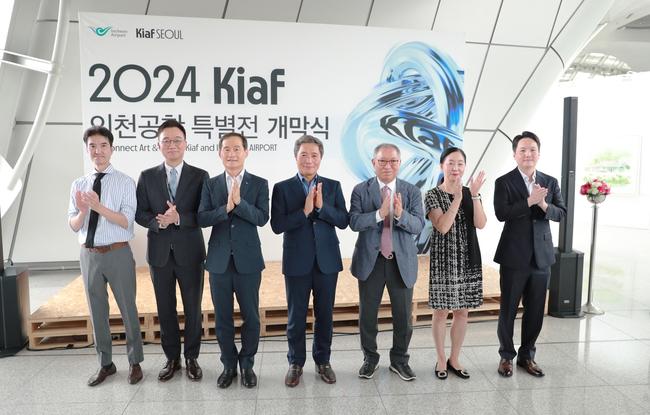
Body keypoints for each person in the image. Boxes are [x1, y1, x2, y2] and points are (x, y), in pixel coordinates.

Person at [68, 126, 144, 386]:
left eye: (103, 146)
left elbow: (126, 220)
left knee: (127, 308)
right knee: (96, 310)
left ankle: (135, 362)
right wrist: (83, 211)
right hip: (88, 255)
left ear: (112, 149)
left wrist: (98, 207)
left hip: (117, 252)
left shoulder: (125, 182)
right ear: (87, 149)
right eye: (92, 146)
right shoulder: (79, 184)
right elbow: (73, 225)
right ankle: (105, 364)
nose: (97, 151)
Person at [270, 134, 349, 387]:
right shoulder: (282, 188)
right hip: (296, 261)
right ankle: (295, 363)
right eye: (304, 154)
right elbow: (277, 225)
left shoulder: (333, 186)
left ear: (320, 158)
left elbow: (344, 220)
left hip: (327, 261)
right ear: (296, 157)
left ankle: (323, 361)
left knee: (325, 315)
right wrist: (303, 212)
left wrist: (322, 207)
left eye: (314, 155)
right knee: (296, 316)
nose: (309, 159)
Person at [135, 119, 209, 382]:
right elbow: (140, 213)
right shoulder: (147, 176)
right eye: (166, 140)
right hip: (160, 254)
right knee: (165, 308)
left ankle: (191, 358)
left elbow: (204, 214)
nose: (172, 145)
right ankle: (172, 359)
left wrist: (179, 218)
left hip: (191, 253)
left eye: (177, 140)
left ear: (186, 144)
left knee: (192, 308)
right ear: (158, 145)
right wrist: (158, 222)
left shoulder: (200, 176)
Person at [198, 132, 269, 389]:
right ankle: (229, 365)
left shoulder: (259, 183)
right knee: (223, 318)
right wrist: (225, 209)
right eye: (226, 149)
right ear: (220, 153)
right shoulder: (211, 184)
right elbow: (202, 218)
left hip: (248, 261)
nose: (232, 153)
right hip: (219, 262)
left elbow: (262, 217)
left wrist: (240, 203)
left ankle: (247, 364)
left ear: (246, 152)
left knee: (251, 316)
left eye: (237, 148)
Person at [349, 143, 425, 381]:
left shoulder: (411, 191)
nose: (387, 166)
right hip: (370, 262)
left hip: (400, 262)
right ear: (374, 163)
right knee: (368, 316)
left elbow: (418, 226)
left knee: (403, 317)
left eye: (393, 161)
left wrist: (400, 214)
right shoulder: (361, 190)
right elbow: (354, 222)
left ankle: (399, 360)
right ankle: (369, 359)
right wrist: (378, 214)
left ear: (400, 163)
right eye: (382, 161)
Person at [494, 131, 566, 378]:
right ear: (515, 155)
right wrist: (529, 201)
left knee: (535, 310)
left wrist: (543, 204)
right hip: (513, 256)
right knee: (508, 309)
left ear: (539, 153)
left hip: (541, 257)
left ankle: (527, 356)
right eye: (523, 150)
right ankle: (506, 356)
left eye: (532, 149)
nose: (528, 154)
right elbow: (501, 213)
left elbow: (561, 213)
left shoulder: (550, 181)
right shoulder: (504, 182)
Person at [424, 147, 487, 380]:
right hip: (444, 260)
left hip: (469, 257)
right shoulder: (432, 194)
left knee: (462, 312)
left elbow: (480, 224)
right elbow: (442, 226)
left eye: (460, 163)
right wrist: (458, 199)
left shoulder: (471, 193)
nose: (456, 168)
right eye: (451, 163)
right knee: (441, 312)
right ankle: (441, 359)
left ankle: (455, 358)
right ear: (442, 165)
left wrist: (475, 196)